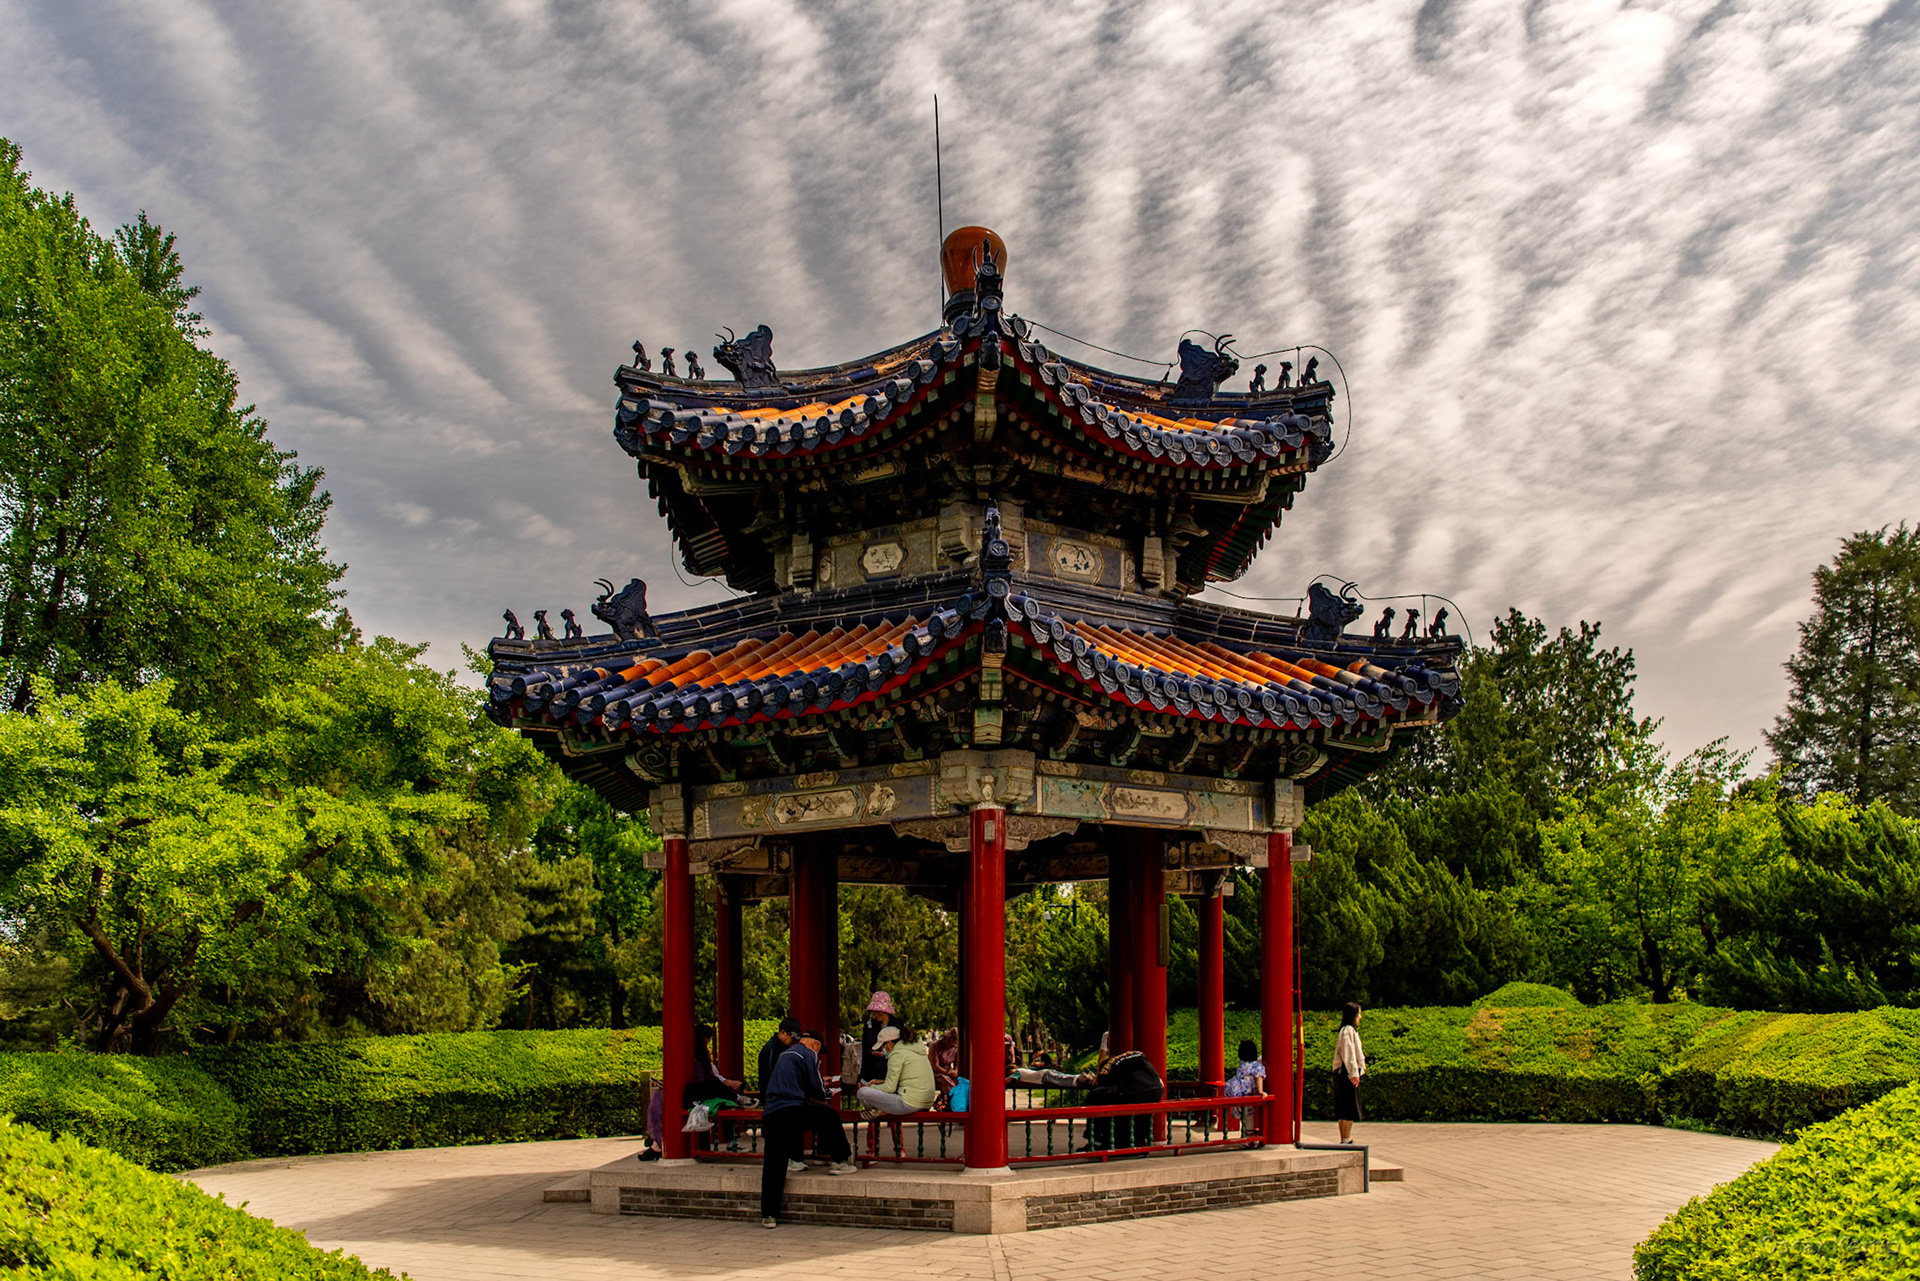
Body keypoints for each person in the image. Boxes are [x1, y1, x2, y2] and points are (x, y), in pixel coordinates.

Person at [759, 1028, 855, 1229]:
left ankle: (769, 1215)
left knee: (773, 1165)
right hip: (792, 1108)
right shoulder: (808, 1053)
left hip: (771, 1113)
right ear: (816, 1045)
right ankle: (840, 1160)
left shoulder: (784, 1054)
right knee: (828, 1116)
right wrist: (827, 1090)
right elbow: (816, 1088)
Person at [856, 1026, 937, 1119]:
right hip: (926, 1102)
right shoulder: (914, 1050)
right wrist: (880, 1082)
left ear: (889, 1043)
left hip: (909, 1103)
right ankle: (881, 1111)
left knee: (862, 1093)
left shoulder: (897, 1054)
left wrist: (871, 1087)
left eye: (883, 1046)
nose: (882, 1049)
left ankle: (877, 1111)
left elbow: (889, 1088)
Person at [1334, 1002, 1366, 1144]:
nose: (1360, 1017)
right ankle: (1346, 1138)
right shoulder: (1348, 1031)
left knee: (1344, 1108)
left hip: (1344, 1072)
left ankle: (1344, 1138)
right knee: (1349, 1108)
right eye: (1358, 1013)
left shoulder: (1346, 1030)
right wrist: (1354, 1074)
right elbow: (1349, 1054)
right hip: (1347, 1073)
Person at [1223, 1038, 1265, 1133]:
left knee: (1243, 1116)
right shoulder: (1257, 1066)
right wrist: (1261, 1091)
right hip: (1247, 1092)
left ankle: (1245, 1135)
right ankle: (1249, 1137)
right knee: (1249, 1115)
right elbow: (1259, 1078)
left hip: (1235, 1091)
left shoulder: (1242, 1064)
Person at [859, 992, 896, 1083]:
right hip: (872, 1070)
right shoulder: (869, 1025)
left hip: (892, 1071)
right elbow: (865, 1049)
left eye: (879, 1012)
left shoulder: (897, 1025)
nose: (876, 1014)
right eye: (874, 1012)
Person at [757, 1016, 801, 1092]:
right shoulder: (771, 1049)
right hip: (774, 1095)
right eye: (792, 1038)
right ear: (783, 1032)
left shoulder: (785, 1047)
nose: (793, 1042)